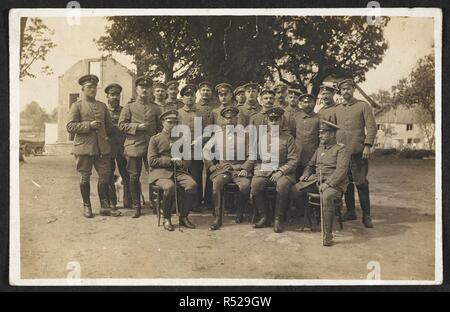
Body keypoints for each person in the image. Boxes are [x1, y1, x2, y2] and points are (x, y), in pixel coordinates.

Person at [66, 74, 120, 218]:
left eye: (95, 87)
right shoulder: (76, 106)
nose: (93, 90)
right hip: (84, 148)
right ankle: (87, 206)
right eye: (90, 87)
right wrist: (88, 125)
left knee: (105, 176)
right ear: (83, 89)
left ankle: (104, 206)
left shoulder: (102, 106)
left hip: (102, 149)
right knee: (85, 177)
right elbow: (70, 127)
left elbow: (110, 127)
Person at [290, 120, 350, 246]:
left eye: (323, 133)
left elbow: (341, 171)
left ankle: (327, 235)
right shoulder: (320, 149)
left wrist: (328, 184)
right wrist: (305, 174)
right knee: (294, 190)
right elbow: (311, 165)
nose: (320, 135)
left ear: (332, 134)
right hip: (317, 180)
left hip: (334, 183)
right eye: (320, 133)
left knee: (326, 197)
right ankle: (310, 217)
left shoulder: (341, 150)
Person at [334, 78, 377, 228]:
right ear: (340, 91)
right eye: (343, 89)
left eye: (348, 88)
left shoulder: (363, 106)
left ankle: (367, 215)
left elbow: (371, 127)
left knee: (361, 183)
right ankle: (351, 211)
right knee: (346, 183)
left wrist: (367, 145)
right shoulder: (337, 109)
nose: (346, 91)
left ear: (353, 90)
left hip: (358, 152)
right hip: (341, 153)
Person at [118, 76, 162, 218]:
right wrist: (137, 127)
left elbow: (160, 128)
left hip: (151, 147)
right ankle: (136, 206)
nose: (144, 90)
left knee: (154, 175)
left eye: (147, 87)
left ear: (151, 90)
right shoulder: (129, 107)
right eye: (142, 87)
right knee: (133, 176)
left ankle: (155, 205)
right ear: (136, 90)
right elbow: (121, 125)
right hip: (134, 146)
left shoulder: (156, 108)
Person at [204, 106, 254, 230]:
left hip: (239, 169)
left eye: (232, 118)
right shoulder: (218, 134)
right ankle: (217, 217)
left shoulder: (245, 135)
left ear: (236, 119)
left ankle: (240, 212)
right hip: (224, 169)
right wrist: (211, 165)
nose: (229, 121)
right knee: (216, 184)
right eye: (227, 118)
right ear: (223, 120)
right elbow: (205, 150)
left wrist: (245, 168)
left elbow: (252, 155)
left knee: (245, 186)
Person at [148, 110, 197, 231]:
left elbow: (187, 159)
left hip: (178, 171)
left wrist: (182, 162)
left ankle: (184, 217)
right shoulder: (155, 139)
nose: (173, 126)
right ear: (162, 123)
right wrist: (170, 161)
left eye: (175, 123)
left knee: (192, 185)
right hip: (160, 173)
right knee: (169, 187)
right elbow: (152, 161)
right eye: (169, 122)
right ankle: (167, 218)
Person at [251, 107, 297, 233]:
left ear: (281, 120)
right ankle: (264, 216)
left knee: (282, 186)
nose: (274, 122)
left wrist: (281, 171)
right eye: (271, 119)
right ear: (267, 121)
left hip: (284, 172)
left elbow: (293, 160)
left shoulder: (288, 138)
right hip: (266, 171)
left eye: (277, 119)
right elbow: (256, 158)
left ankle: (278, 219)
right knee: (255, 184)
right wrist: (258, 168)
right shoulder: (262, 138)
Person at [104, 83, 131, 210]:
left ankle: (128, 201)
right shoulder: (104, 111)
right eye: (112, 95)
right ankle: (112, 202)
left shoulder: (125, 110)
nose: (115, 97)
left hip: (122, 147)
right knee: (109, 174)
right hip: (108, 148)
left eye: (117, 95)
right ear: (107, 96)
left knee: (126, 174)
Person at [178, 84, 204, 211]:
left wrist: (201, 139)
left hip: (197, 151)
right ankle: (183, 203)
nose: (190, 98)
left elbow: (206, 131)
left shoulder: (200, 113)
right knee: (183, 176)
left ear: (195, 97)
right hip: (183, 151)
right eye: (186, 95)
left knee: (197, 176)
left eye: (192, 95)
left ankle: (196, 204)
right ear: (182, 98)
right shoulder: (178, 113)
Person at [289, 93, 320, 179]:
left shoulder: (319, 118)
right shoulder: (296, 117)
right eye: (305, 102)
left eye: (310, 102)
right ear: (301, 104)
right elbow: (292, 135)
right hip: (298, 155)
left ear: (314, 103)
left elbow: (321, 138)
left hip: (312, 156)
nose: (307, 105)